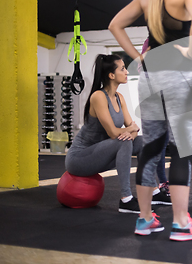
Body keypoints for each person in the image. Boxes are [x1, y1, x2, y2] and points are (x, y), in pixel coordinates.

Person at [108, 0, 192, 240]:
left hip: (150, 75)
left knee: (152, 148)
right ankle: (181, 223)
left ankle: (144, 219)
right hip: (177, 75)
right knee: (182, 148)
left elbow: (115, 24)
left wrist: (137, 56)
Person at [65, 54, 169, 213]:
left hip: (102, 153)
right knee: (123, 141)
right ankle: (126, 199)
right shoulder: (98, 97)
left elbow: (133, 127)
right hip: (80, 159)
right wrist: (130, 131)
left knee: (143, 142)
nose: (126, 72)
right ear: (111, 75)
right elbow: (114, 133)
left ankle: (152, 191)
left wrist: (132, 132)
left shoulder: (120, 97)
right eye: (122, 69)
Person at [140, 39, 192, 196]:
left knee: (191, 136)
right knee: (162, 139)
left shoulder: (185, 37)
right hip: (160, 92)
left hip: (183, 88)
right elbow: (143, 65)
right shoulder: (153, 39)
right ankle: (163, 183)